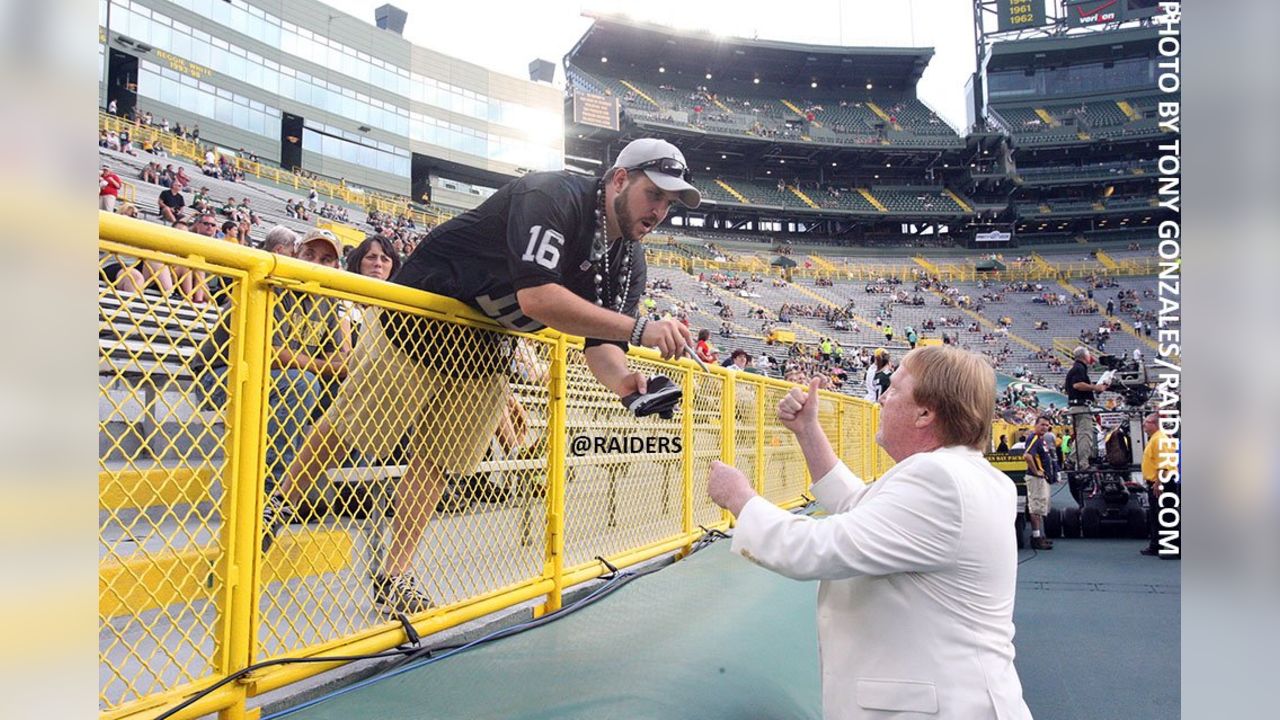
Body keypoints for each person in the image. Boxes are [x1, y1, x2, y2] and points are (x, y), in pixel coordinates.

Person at [276, 137, 701, 614]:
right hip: (424, 313)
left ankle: (394, 576)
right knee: (354, 425)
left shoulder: (629, 258)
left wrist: (629, 385)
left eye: (669, 202)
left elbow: (603, 348)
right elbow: (538, 299)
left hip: (490, 339)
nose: (660, 210)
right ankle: (278, 508)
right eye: (655, 194)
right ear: (620, 179)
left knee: (439, 460)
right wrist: (642, 327)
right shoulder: (555, 196)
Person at [707, 346, 1031, 719]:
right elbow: (860, 507)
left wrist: (740, 499)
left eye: (893, 390)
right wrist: (808, 431)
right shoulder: (962, 475)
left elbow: (819, 548)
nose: (881, 399)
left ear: (925, 413)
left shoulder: (939, 479)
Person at [196, 229, 351, 551]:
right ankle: (267, 500)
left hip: (280, 381)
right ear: (295, 254)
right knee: (301, 382)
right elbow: (267, 351)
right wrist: (315, 365)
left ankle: (345, 493)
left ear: (335, 267)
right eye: (309, 255)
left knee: (345, 393)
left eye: (326, 259)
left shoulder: (326, 300)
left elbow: (342, 361)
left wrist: (308, 363)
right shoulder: (272, 281)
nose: (315, 263)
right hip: (219, 375)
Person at [1064, 346, 1109, 468]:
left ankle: (1073, 459)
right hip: (1081, 407)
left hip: (1076, 406)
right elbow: (1077, 385)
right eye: (1089, 354)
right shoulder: (1079, 368)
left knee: (1081, 436)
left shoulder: (1075, 368)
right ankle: (1082, 463)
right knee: (1085, 436)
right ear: (1085, 356)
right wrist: (1095, 387)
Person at [1022, 415, 1058, 550]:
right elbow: (1027, 455)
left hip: (1042, 479)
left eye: (1047, 425)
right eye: (1042, 424)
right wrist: (1036, 471)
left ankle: (1040, 536)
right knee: (1036, 508)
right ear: (1035, 425)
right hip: (1036, 479)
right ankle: (1036, 538)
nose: (1045, 427)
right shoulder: (1035, 438)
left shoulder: (1041, 440)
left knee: (1041, 508)